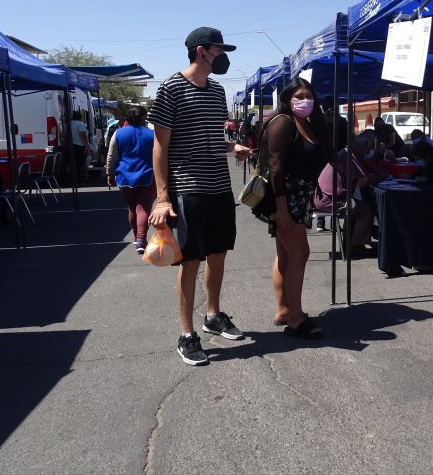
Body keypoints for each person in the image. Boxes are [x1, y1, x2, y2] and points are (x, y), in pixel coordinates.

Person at [148, 26, 252, 366]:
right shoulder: (171, 88)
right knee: (190, 262)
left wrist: (232, 145)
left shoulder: (217, 91)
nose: (223, 57)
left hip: (220, 187)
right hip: (188, 188)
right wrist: (163, 197)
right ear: (200, 51)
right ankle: (186, 334)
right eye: (219, 51)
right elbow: (160, 147)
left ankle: (213, 315)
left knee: (218, 254)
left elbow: (209, 139)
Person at [252, 77, 331, 339]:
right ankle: (296, 319)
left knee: (286, 255)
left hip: (298, 197)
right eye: (299, 96)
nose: (305, 100)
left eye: (309, 95)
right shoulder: (283, 123)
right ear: (287, 99)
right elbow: (276, 168)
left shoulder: (306, 123)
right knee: (300, 253)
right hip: (285, 198)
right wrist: (282, 208)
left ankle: (284, 310)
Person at [313, 133, 385, 257]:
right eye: (371, 147)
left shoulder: (347, 152)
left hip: (325, 197)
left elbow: (363, 174)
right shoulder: (351, 156)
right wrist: (383, 176)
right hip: (329, 200)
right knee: (365, 209)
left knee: (355, 205)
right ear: (364, 147)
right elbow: (363, 182)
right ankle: (355, 245)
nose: (371, 151)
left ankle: (349, 241)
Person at [106, 106, 156, 254]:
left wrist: (109, 173)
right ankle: (141, 238)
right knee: (143, 208)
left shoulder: (119, 133)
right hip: (147, 175)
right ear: (143, 118)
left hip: (124, 177)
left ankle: (137, 237)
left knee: (132, 208)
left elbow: (111, 155)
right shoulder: (151, 134)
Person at [70, 110, 89, 185]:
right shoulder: (80, 124)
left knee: (73, 164)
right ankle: (78, 180)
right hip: (79, 146)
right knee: (79, 164)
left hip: (71, 145)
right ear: (80, 117)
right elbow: (83, 136)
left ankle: (73, 179)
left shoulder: (69, 124)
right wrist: (86, 146)